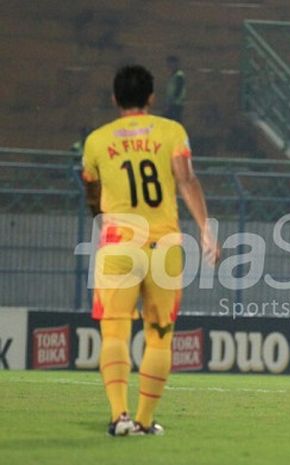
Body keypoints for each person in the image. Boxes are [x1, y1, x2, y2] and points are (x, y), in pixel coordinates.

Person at [82, 65, 219, 436]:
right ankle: (144, 420)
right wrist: (206, 230)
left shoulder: (97, 140)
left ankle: (119, 417)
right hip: (165, 248)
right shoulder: (171, 132)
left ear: (114, 98)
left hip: (118, 246)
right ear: (152, 97)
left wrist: (101, 215)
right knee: (159, 335)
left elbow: (91, 191)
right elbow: (187, 180)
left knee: (114, 335)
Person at [164, 55, 186, 122]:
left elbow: (178, 90)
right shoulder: (174, 75)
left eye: (171, 63)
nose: (169, 66)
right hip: (172, 103)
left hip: (176, 104)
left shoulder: (179, 75)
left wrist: (172, 102)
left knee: (174, 121)